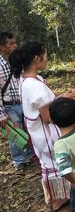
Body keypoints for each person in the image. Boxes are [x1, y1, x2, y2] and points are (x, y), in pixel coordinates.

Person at [9, 41, 75, 211]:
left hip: (37, 132)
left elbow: (44, 106)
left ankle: (53, 194)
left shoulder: (25, 79)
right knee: (55, 165)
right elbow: (48, 117)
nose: (47, 58)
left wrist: (61, 96)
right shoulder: (36, 88)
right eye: (46, 55)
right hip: (46, 134)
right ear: (37, 58)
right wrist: (67, 101)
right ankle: (58, 199)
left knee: (47, 164)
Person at [0, 32, 33, 171]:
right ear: (1, 47)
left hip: (22, 102)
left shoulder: (16, 61)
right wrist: (1, 114)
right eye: (11, 44)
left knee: (27, 129)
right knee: (15, 134)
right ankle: (19, 161)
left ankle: (30, 156)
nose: (15, 46)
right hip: (8, 106)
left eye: (15, 43)